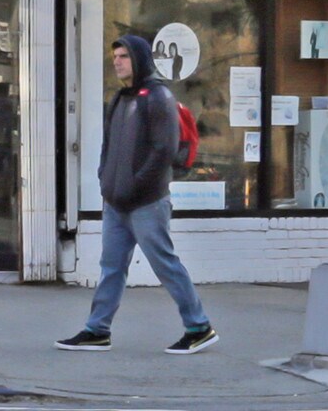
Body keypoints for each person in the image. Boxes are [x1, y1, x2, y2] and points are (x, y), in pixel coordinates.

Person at [59, 34, 216, 354]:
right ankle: (97, 330)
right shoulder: (119, 99)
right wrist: (105, 180)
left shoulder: (158, 98)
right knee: (111, 266)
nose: (116, 61)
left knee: (165, 264)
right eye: (115, 56)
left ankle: (199, 327)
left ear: (140, 60)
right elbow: (108, 147)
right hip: (116, 202)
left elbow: (164, 151)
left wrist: (134, 186)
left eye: (124, 56)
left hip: (147, 203)